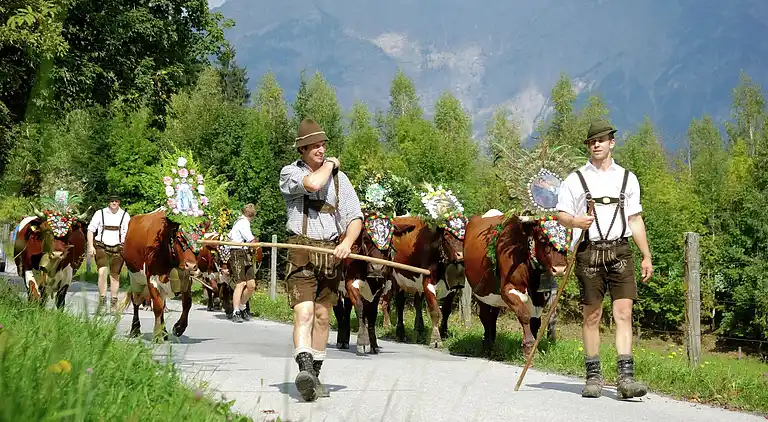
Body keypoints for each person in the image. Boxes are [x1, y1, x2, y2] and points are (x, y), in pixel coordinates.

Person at [555, 120, 653, 399]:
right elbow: (561, 214)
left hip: (621, 251)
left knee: (624, 313)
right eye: (591, 141)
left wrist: (646, 255)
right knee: (593, 315)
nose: (596, 144)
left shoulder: (627, 178)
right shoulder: (575, 179)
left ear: (612, 142)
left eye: (601, 139)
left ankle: (625, 380)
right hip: (588, 252)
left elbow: (634, 219)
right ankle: (594, 377)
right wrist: (575, 220)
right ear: (588, 146)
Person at [278, 118, 363, 402]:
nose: (321, 149)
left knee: (323, 316)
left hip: (331, 250)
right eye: (314, 145)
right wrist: (330, 165)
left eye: (323, 145)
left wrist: (347, 243)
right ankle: (303, 369)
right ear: (302, 149)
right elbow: (313, 184)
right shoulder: (290, 172)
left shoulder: (342, 180)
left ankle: (313, 375)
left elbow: (354, 218)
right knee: (304, 312)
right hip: (300, 249)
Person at [87, 194, 130, 314]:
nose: (114, 203)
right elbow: (90, 230)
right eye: (112, 201)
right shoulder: (100, 213)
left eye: (116, 201)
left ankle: (113, 303)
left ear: (119, 202)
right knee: (102, 272)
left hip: (118, 247)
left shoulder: (125, 215)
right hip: (101, 246)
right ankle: (102, 302)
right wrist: (91, 246)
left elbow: (128, 234)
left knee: (115, 275)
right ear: (109, 202)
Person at [226, 203, 259, 323]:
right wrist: (257, 244)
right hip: (237, 253)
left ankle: (242, 306)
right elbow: (251, 240)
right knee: (240, 283)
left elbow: (229, 236)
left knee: (251, 285)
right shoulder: (243, 223)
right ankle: (235, 311)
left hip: (245, 253)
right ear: (253, 215)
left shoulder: (239, 222)